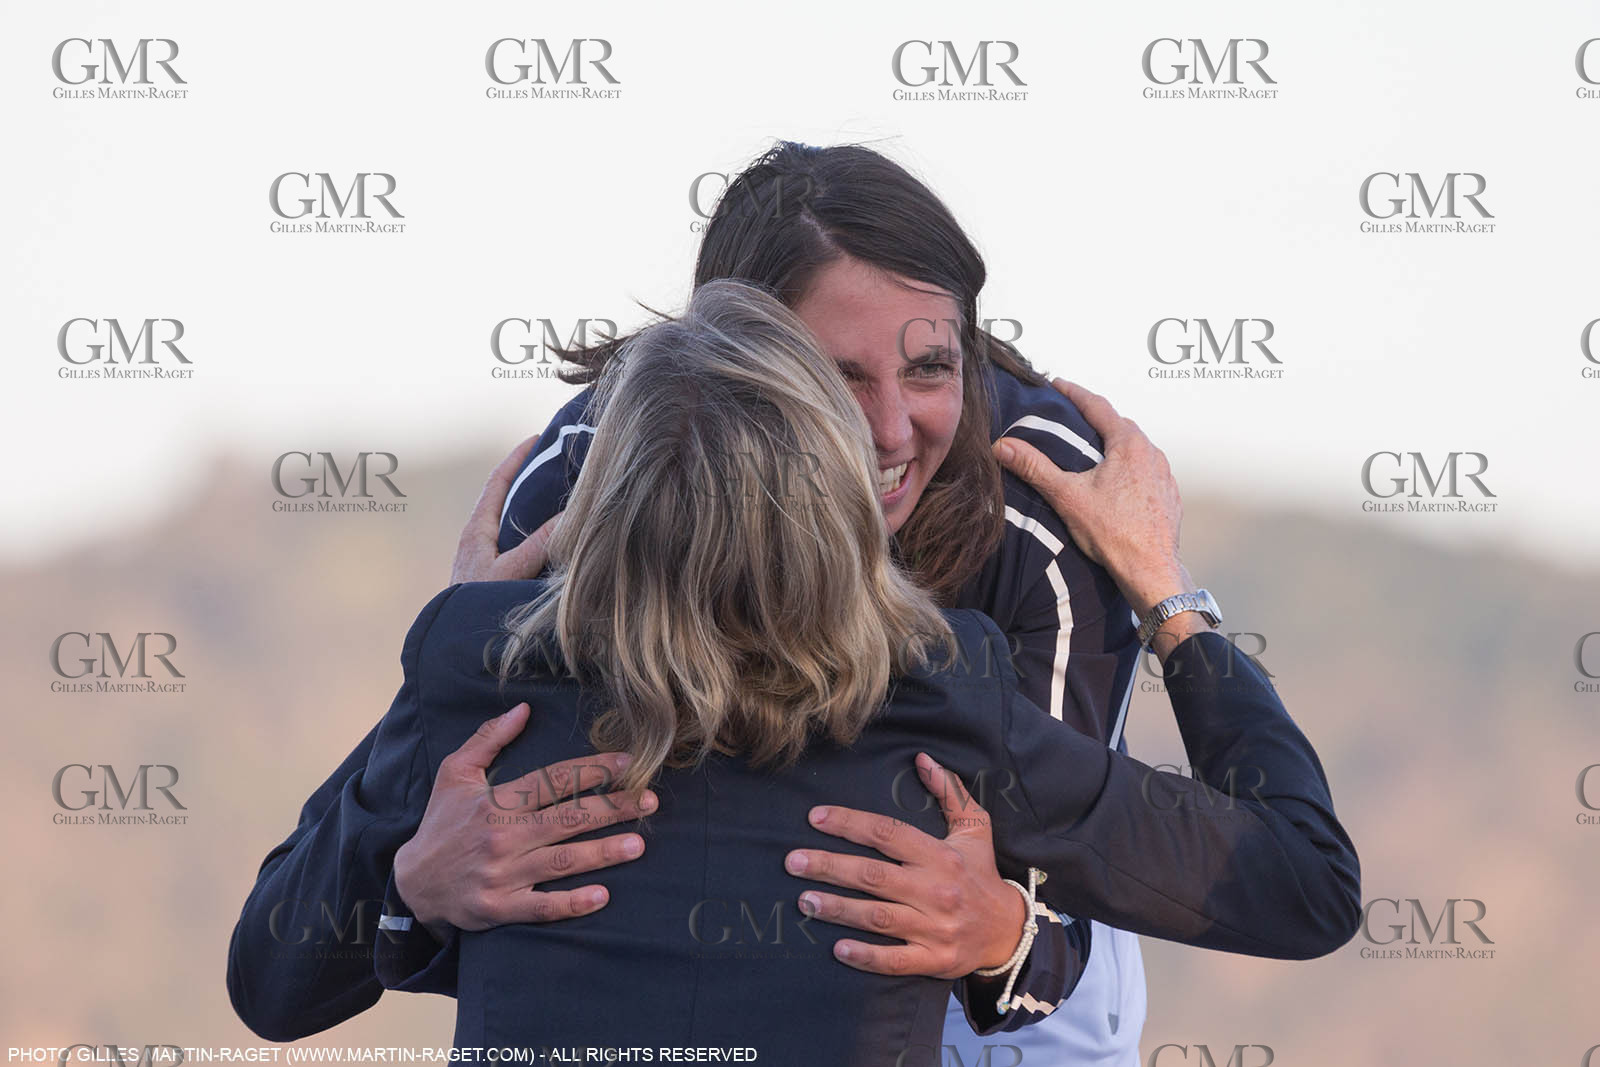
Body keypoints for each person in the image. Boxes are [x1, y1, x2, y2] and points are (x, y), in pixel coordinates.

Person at [298, 281, 1356, 1066]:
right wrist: (1167, 598)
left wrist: (409, 885)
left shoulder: (489, 678)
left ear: (600, 496)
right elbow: (1303, 886)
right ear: (835, 498)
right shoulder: (942, 700)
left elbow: (275, 982)